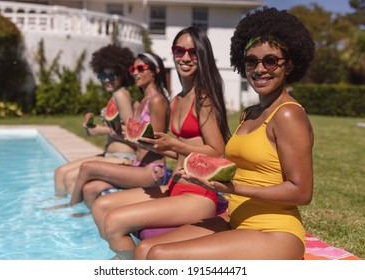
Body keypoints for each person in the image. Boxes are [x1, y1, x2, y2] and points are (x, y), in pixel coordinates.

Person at [135, 7, 315, 260]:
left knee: (160, 256)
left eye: (271, 60)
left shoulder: (288, 114)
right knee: (144, 249)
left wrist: (235, 188)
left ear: (290, 64)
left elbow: (302, 192)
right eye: (251, 60)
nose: (260, 69)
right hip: (235, 218)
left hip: (275, 231)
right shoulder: (249, 113)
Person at [91, 26, 231, 260]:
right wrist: (140, 140)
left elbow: (217, 150)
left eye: (193, 52)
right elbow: (170, 147)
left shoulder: (204, 97)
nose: (185, 58)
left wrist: (175, 145)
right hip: (174, 186)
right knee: (101, 206)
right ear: (173, 53)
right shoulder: (177, 99)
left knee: (114, 221)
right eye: (179, 51)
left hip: (198, 195)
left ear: (203, 56)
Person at [45, 52, 171, 211]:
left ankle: (70, 207)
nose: (135, 73)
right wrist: (118, 130)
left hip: (152, 171)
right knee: (89, 189)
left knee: (87, 168)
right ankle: (81, 220)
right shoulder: (140, 102)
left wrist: (128, 135)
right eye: (133, 69)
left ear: (156, 70)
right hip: (138, 165)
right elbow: (132, 133)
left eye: (140, 68)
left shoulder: (157, 100)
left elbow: (157, 143)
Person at [52, 45, 136, 197]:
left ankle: (73, 217)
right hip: (109, 155)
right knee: (60, 172)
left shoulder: (121, 95)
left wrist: (98, 130)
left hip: (124, 157)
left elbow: (131, 132)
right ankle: (59, 212)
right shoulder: (115, 94)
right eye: (102, 75)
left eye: (112, 75)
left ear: (122, 74)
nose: (107, 80)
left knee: (71, 177)